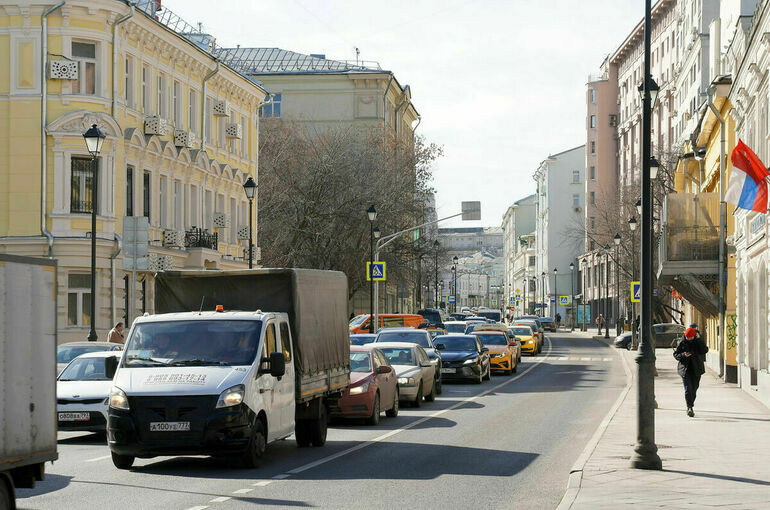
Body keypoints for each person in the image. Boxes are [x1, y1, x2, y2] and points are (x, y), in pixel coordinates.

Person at [673, 326, 709, 417]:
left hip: (697, 368)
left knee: (694, 388)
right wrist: (684, 355)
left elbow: (704, 350)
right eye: (687, 337)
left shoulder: (698, 341)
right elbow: (676, 354)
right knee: (688, 389)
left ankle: (690, 403)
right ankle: (689, 407)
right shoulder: (682, 342)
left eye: (691, 337)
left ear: (694, 336)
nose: (689, 339)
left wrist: (699, 339)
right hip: (685, 369)